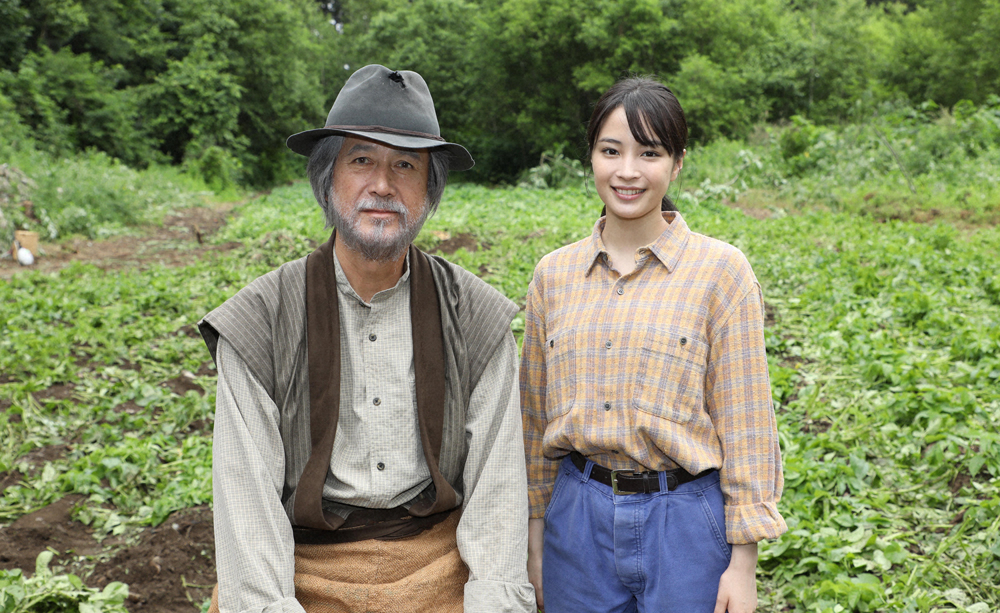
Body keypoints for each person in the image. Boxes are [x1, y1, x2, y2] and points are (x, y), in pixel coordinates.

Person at [199, 64, 535, 613]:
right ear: (327, 177)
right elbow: (248, 506)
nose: (382, 185)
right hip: (305, 568)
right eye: (361, 161)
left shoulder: (476, 317)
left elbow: (496, 499)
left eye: (405, 164)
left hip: (438, 559)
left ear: (429, 189)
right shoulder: (260, 320)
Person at [520, 76, 787, 613]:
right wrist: (535, 536)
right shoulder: (554, 275)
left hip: (686, 521)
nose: (627, 171)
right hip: (576, 521)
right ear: (591, 156)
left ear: (678, 162)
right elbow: (533, 416)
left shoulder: (721, 273)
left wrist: (743, 565)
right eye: (610, 150)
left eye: (650, 153)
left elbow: (747, 421)